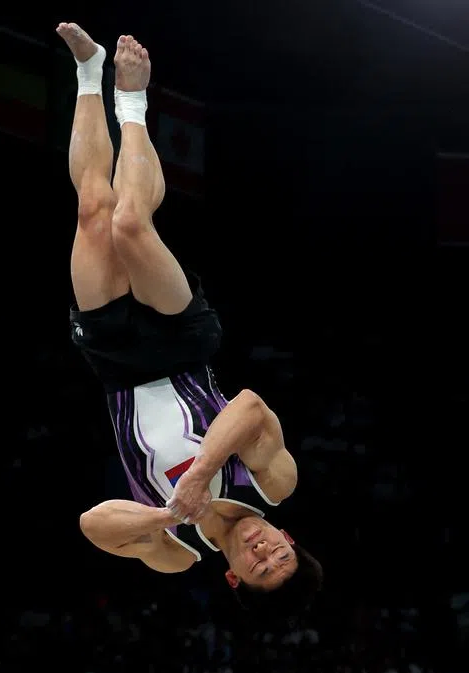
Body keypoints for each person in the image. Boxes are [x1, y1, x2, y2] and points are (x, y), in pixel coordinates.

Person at [57, 23, 321, 600]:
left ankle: (86, 71)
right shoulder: (274, 482)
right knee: (130, 224)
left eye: (258, 567)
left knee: (94, 210)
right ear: (286, 534)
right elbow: (249, 407)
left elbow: (93, 525)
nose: (262, 550)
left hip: (117, 368)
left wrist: (168, 515)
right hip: (182, 348)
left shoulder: (174, 553)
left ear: (233, 576)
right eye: (279, 551)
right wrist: (201, 476)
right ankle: (132, 97)